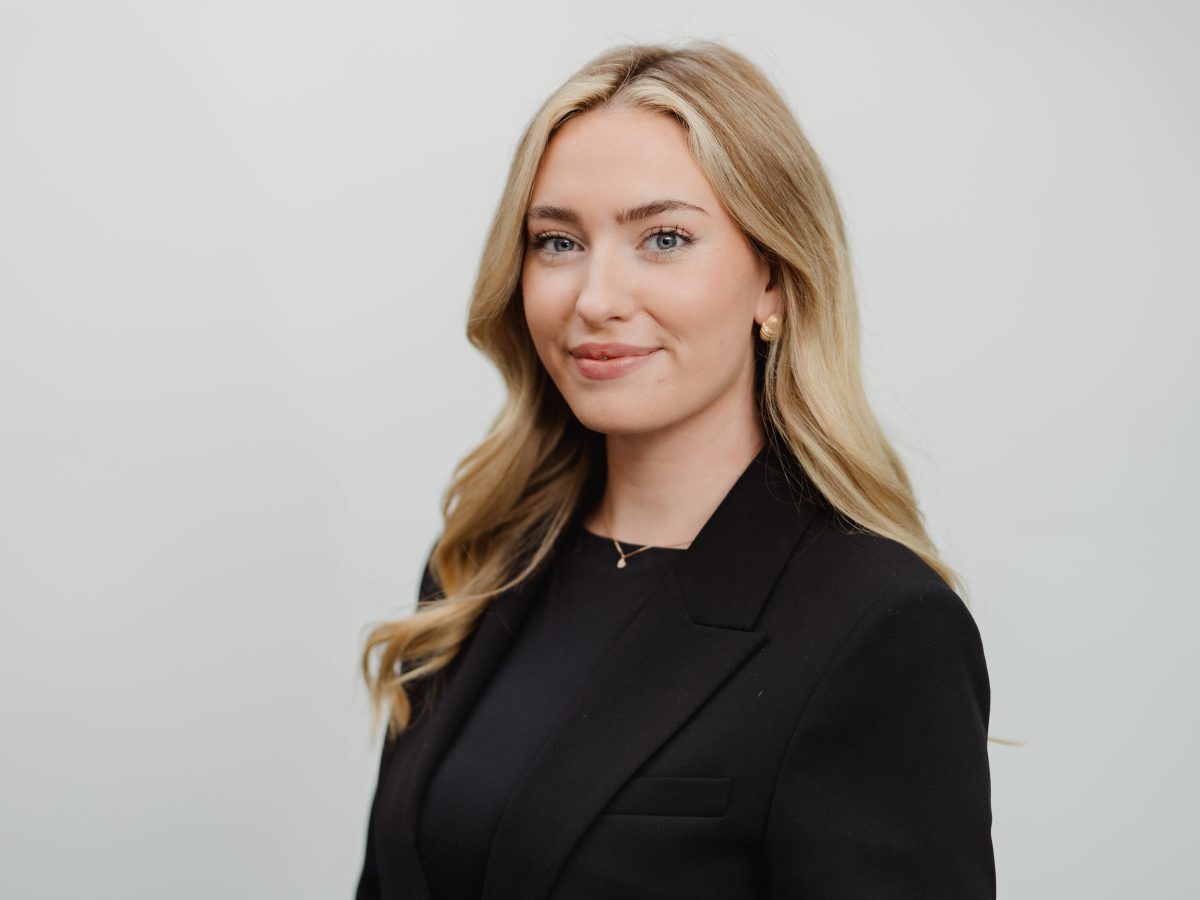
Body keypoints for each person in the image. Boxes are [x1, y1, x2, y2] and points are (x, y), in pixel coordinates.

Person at [355, 40, 995, 900]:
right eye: (557, 241)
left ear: (773, 280)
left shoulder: (877, 624)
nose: (595, 298)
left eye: (663, 238)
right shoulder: (480, 564)